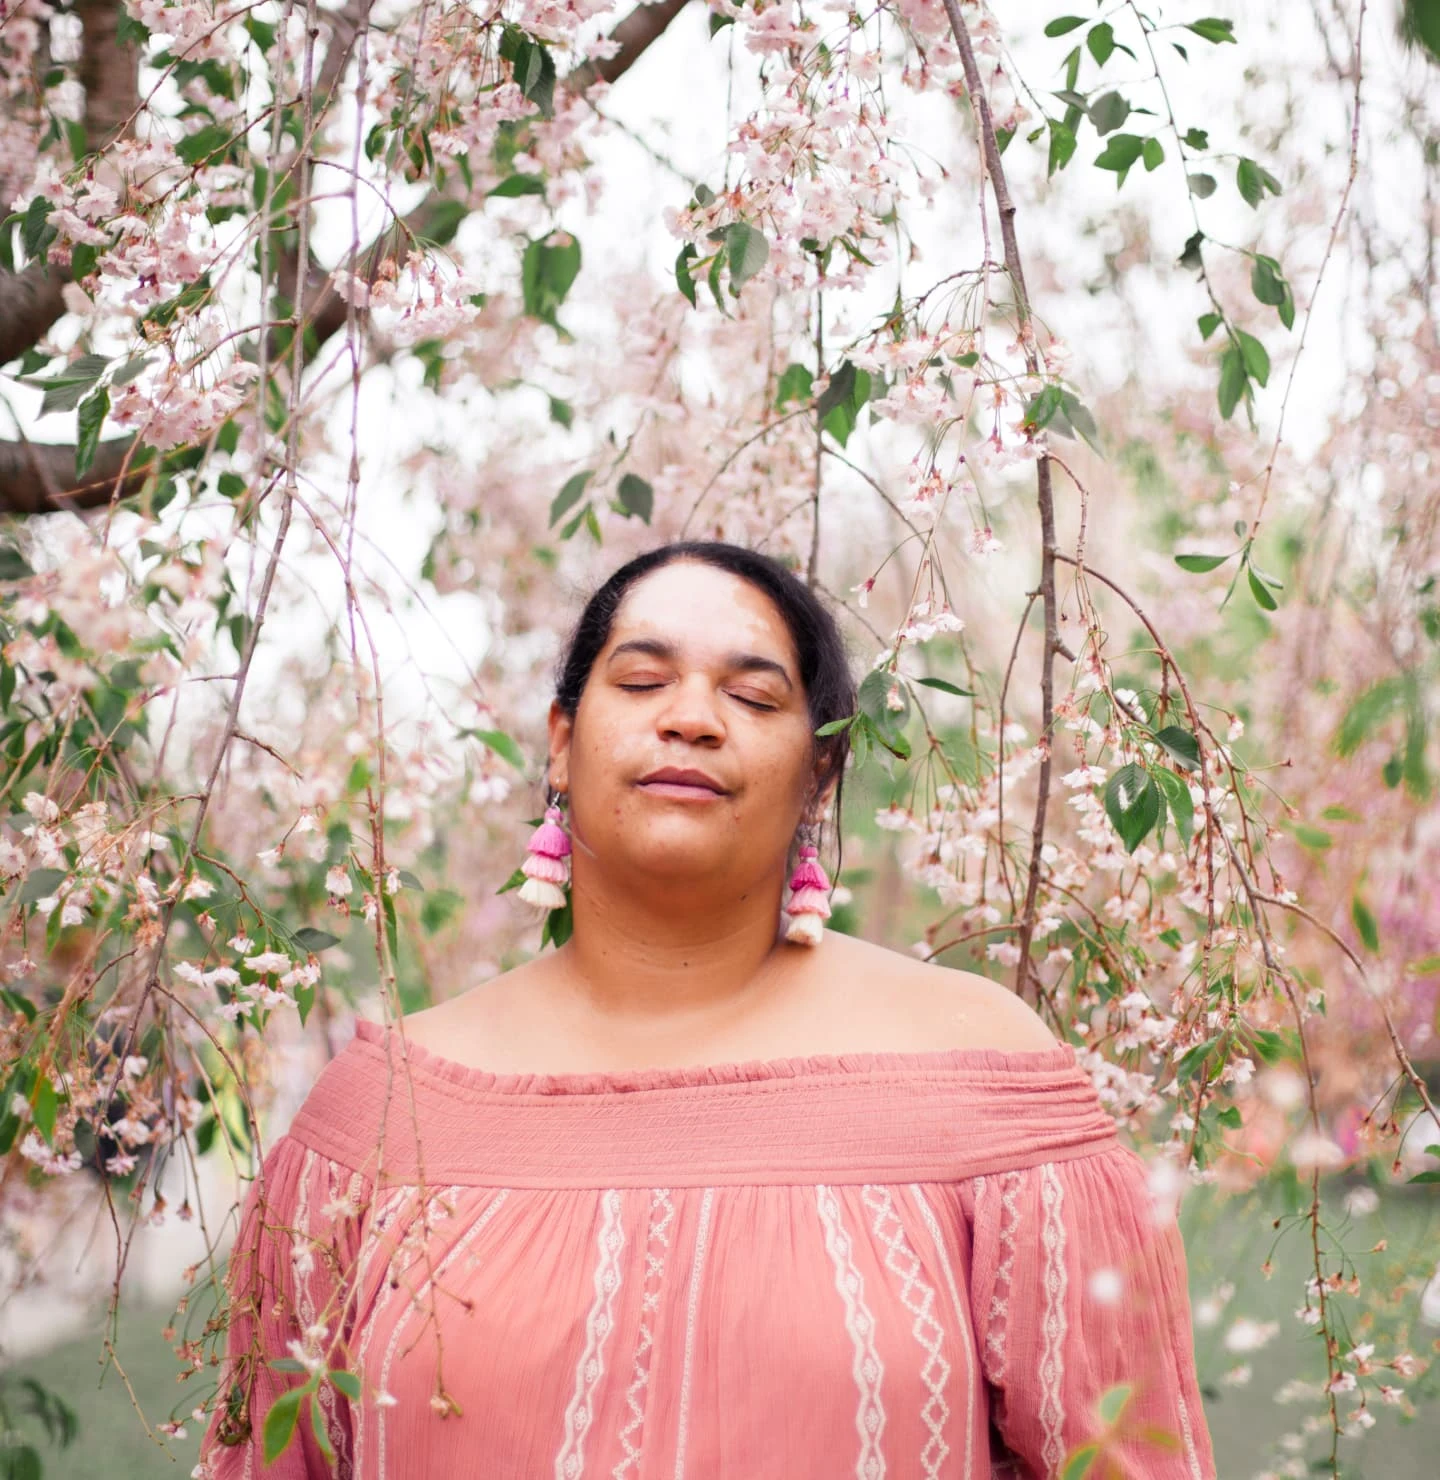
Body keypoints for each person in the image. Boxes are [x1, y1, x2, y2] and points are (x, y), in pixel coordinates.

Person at [199, 541, 1215, 1478]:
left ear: (820, 772)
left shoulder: (987, 1086)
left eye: (754, 695)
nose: (690, 716)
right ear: (561, 743)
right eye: (642, 681)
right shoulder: (378, 1120)